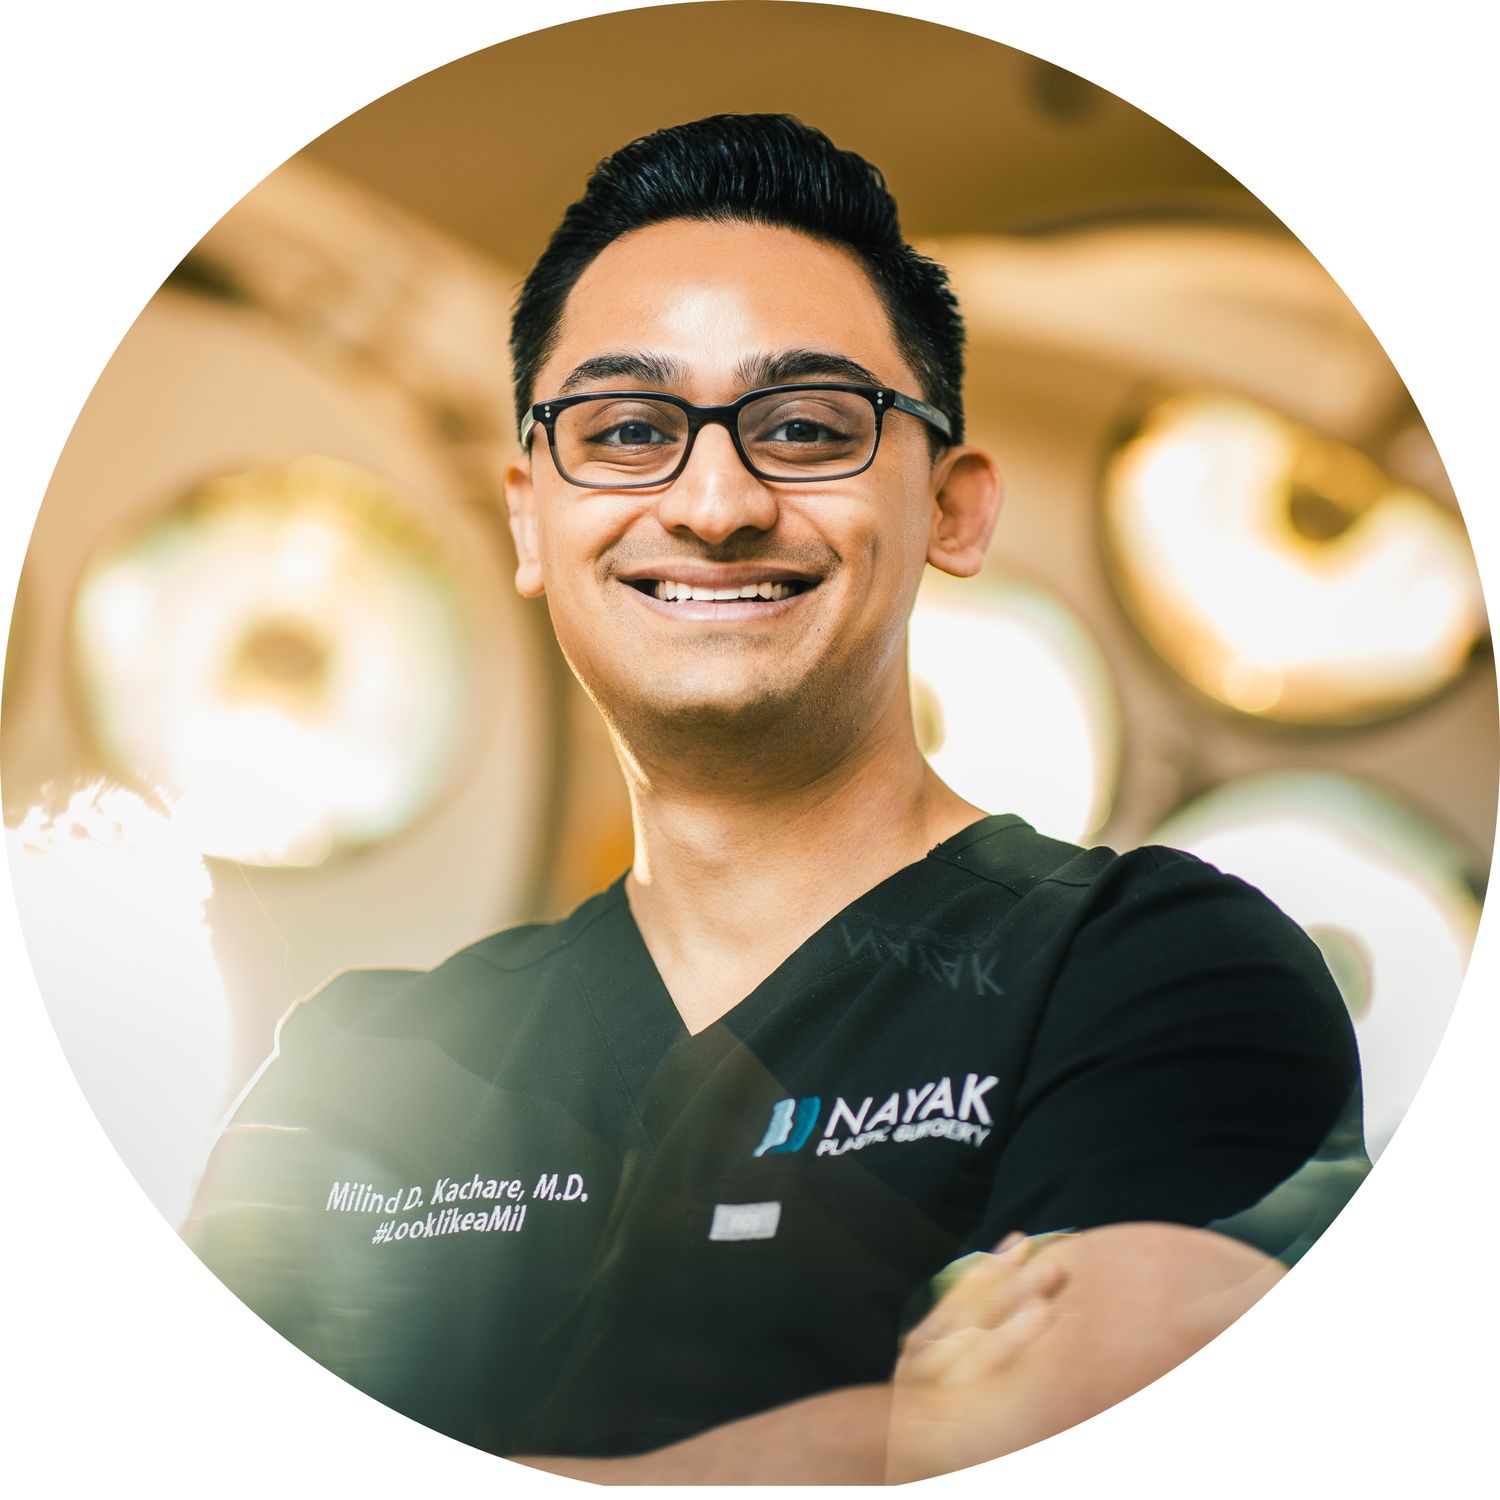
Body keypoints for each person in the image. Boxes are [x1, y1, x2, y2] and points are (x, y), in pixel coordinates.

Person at [184, 114, 1367, 1483]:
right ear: (528, 519)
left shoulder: (1155, 973)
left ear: (953, 510)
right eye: (628, 430)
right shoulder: (369, 1063)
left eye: (805, 427)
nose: (715, 502)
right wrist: (888, 1437)